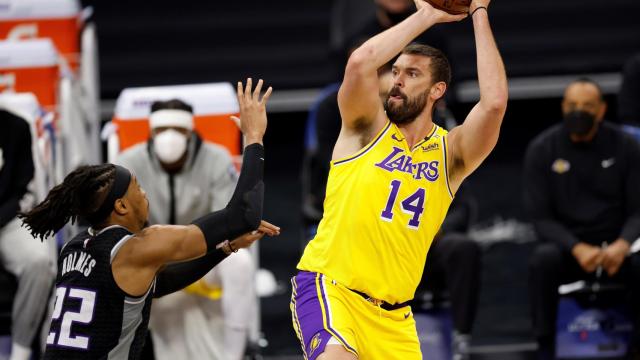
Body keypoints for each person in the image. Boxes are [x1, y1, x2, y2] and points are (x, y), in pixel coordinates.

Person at [291, 0, 508, 358]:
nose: (397, 81)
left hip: (394, 318)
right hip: (332, 288)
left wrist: (479, 12)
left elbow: (494, 103)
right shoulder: (363, 127)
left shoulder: (450, 155)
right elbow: (360, 62)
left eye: (412, 74)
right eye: (395, 71)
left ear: (437, 90)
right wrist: (425, 15)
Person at [19, 79, 280, 360]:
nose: (145, 195)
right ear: (120, 206)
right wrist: (254, 137)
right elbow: (243, 214)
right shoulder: (138, 247)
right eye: (138, 189)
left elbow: (160, 284)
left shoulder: (75, 246)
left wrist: (226, 248)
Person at [115, 98, 258, 360]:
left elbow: (230, 221)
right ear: (151, 131)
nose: (169, 137)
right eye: (161, 130)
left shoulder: (216, 159)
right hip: (157, 264)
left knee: (241, 264)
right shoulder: (127, 164)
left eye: (178, 130)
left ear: (190, 131)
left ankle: (235, 354)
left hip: (208, 256)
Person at [525, 78, 640, 359]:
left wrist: (623, 244)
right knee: (542, 259)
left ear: (601, 110)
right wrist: (576, 247)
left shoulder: (626, 147)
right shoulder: (542, 149)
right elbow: (540, 219)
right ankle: (545, 346)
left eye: (587, 106)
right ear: (563, 107)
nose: (579, 111)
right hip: (571, 251)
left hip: (618, 250)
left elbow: (638, 210)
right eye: (573, 105)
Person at [0, 109, 56, 360]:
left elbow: (21, 187)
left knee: (39, 261)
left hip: (6, 221)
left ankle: (20, 352)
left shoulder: (15, 127)